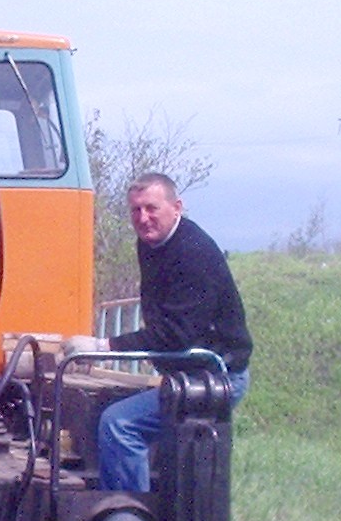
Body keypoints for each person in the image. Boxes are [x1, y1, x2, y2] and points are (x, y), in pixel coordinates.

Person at [68, 172, 252, 492]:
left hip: (215, 377)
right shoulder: (151, 243)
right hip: (187, 373)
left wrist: (102, 345)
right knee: (109, 411)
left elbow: (175, 334)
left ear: (176, 207)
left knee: (119, 425)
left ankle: (128, 515)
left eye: (151, 208)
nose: (143, 218)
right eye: (136, 210)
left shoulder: (193, 253)